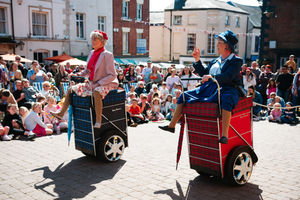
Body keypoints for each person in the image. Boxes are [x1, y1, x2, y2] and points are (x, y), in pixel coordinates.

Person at [159, 30, 242, 144]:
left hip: (227, 88)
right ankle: (172, 126)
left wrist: (211, 77)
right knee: (183, 96)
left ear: (227, 46)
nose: (217, 45)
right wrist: (197, 60)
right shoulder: (215, 60)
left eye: (220, 43)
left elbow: (228, 76)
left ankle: (224, 135)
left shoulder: (236, 61)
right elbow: (204, 73)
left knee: (227, 99)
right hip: (210, 88)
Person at [51, 30, 118, 129]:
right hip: (93, 82)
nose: (92, 41)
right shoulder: (91, 53)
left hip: (107, 83)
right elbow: (87, 71)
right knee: (71, 89)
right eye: (92, 39)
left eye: (95, 39)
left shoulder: (107, 55)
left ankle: (98, 121)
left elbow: (112, 75)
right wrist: (76, 74)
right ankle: (61, 113)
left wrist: (98, 83)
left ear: (102, 41)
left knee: (96, 91)